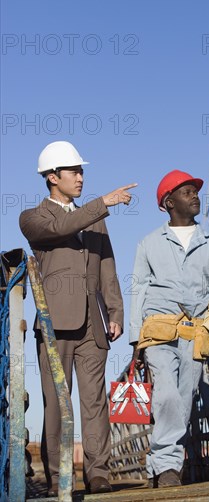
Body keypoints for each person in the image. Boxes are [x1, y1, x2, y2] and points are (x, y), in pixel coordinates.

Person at [19, 141, 137, 496]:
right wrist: (104, 203)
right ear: (53, 177)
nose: (81, 177)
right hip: (54, 323)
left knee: (95, 401)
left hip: (93, 324)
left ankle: (98, 473)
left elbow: (107, 268)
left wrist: (115, 312)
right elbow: (62, 228)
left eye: (82, 171)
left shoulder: (95, 221)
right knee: (56, 402)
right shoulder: (33, 218)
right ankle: (58, 476)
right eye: (75, 171)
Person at [129, 169, 209, 488]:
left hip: (195, 332)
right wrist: (136, 338)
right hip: (157, 330)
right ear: (168, 202)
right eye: (187, 192)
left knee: (184, 398)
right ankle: (170, 467)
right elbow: (139, 289)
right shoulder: (148, 243)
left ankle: (156, 468)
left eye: (195, 191)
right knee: (167, 396)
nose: (195, 196)